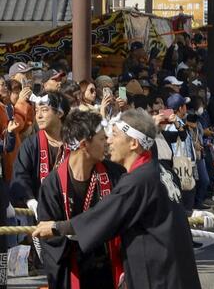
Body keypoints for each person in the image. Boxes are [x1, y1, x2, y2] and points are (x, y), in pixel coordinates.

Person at [32, 108, 203, 289]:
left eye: (114, 135)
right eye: (104, 137)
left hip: (157, 275)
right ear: (83, 145)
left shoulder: (136, 180)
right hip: (173, 272)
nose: (109, 141)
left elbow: (105, 215)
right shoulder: (161, 171)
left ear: (133, 143)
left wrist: (57, 227)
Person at [36, 110, 126, 289]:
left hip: (109, 268)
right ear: (84, 144)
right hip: (74, 270)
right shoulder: (53, 184)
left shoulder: (115, 174)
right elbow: (49, 238)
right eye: (101, 139)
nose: (107, 142)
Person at [12, 91, 70, 216]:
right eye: (36, 110)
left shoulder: (76, 143)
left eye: (44, 110)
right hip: (39, 213)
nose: (38, 116)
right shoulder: (31, 144)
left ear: (60, 113)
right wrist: (30, 200)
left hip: (72, 212)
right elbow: (20, 175)